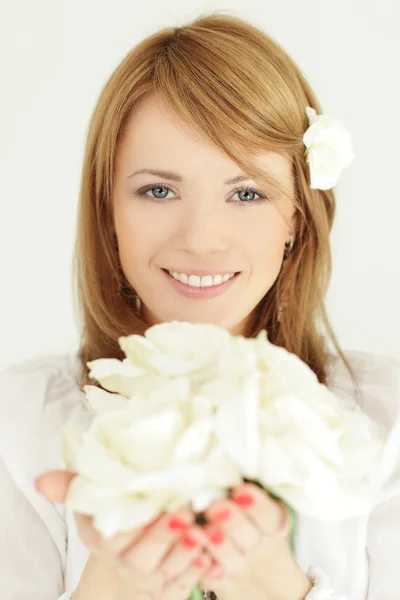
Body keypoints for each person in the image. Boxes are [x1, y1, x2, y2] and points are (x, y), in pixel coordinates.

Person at [1, 11, 399, 600]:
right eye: (158, 190)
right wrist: (113, 582)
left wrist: (267, 579)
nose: (202, 237)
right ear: (108, 209)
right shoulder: (18, 424)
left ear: (296, 216)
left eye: (247, 192)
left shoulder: (384, 425)